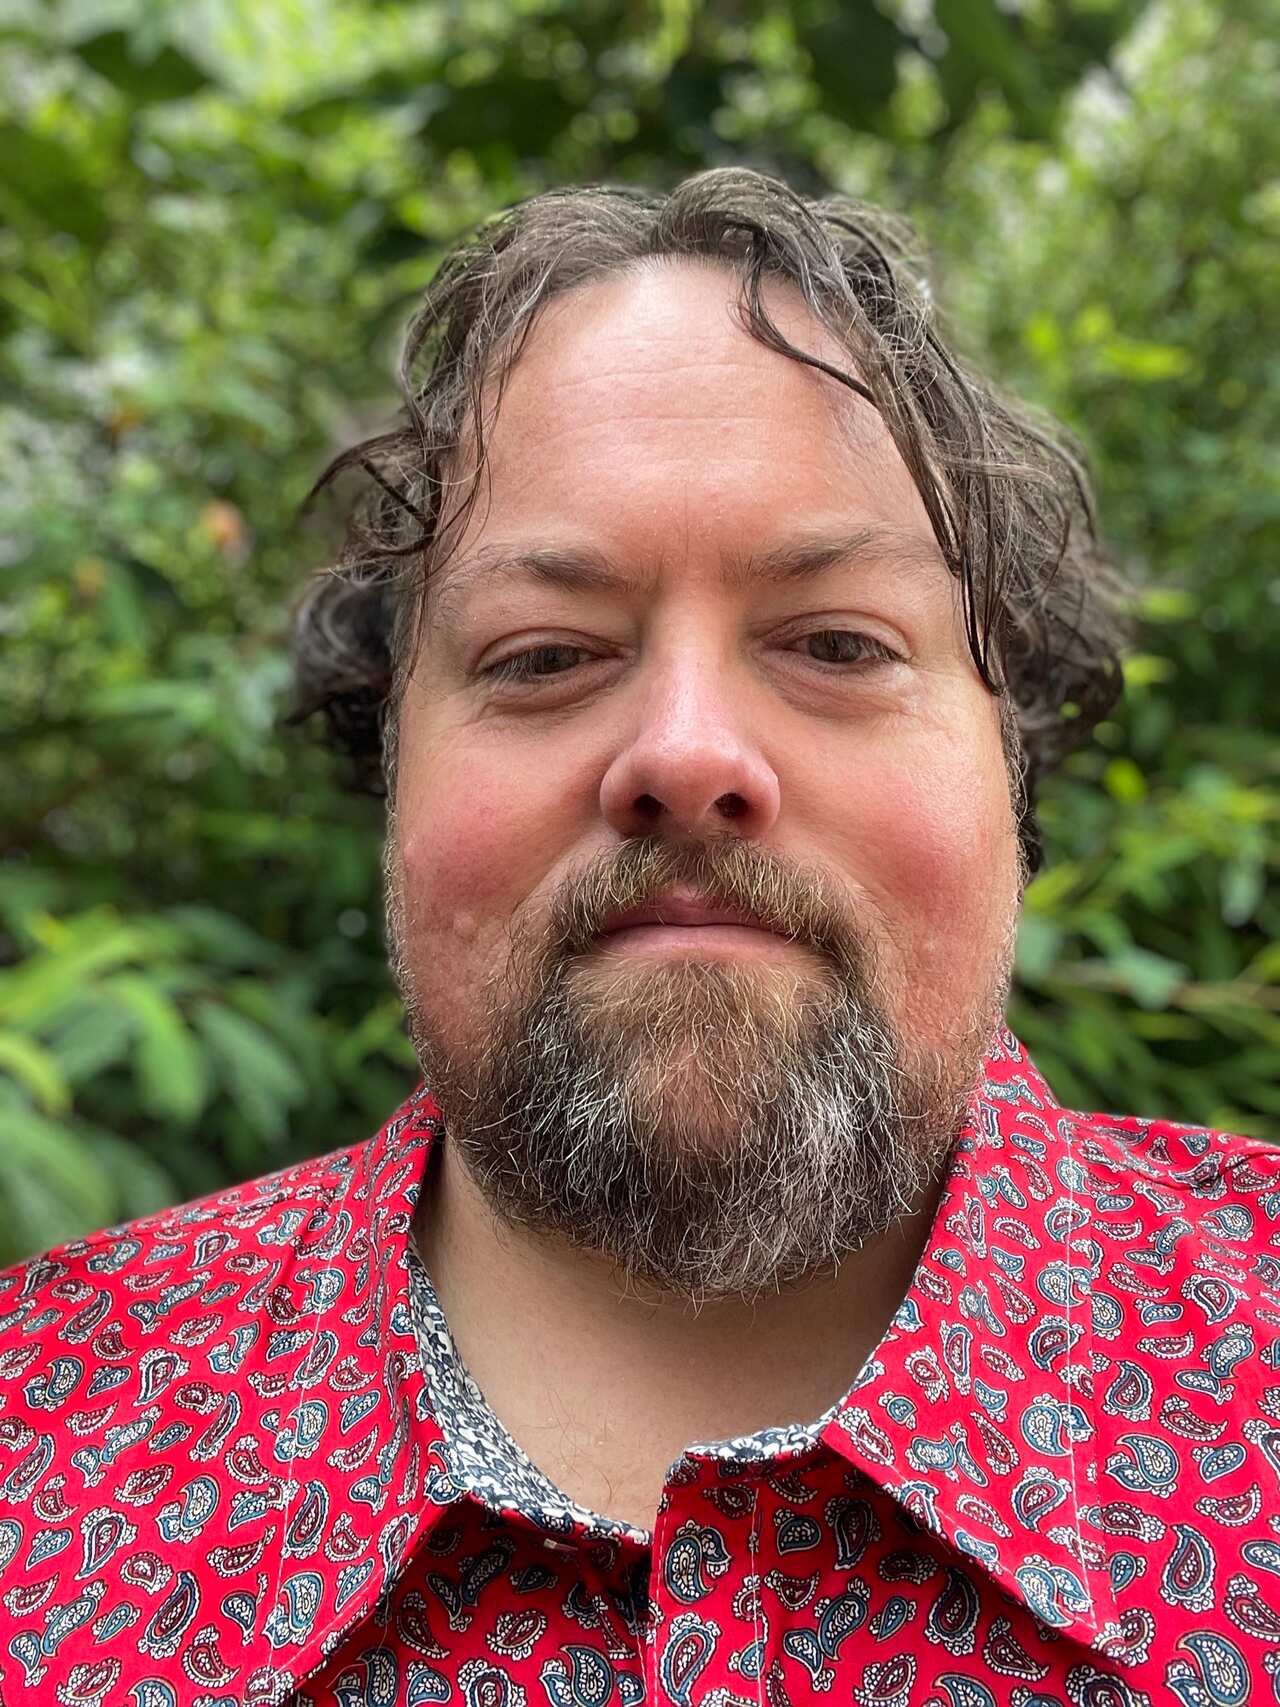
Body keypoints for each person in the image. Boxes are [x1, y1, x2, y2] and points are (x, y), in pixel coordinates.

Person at [0, 167, 1275, 1707]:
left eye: (836, 644)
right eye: (544, 657)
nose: (684, 753)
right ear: (393, 778)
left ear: (1012, 771)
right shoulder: (40, 1448)